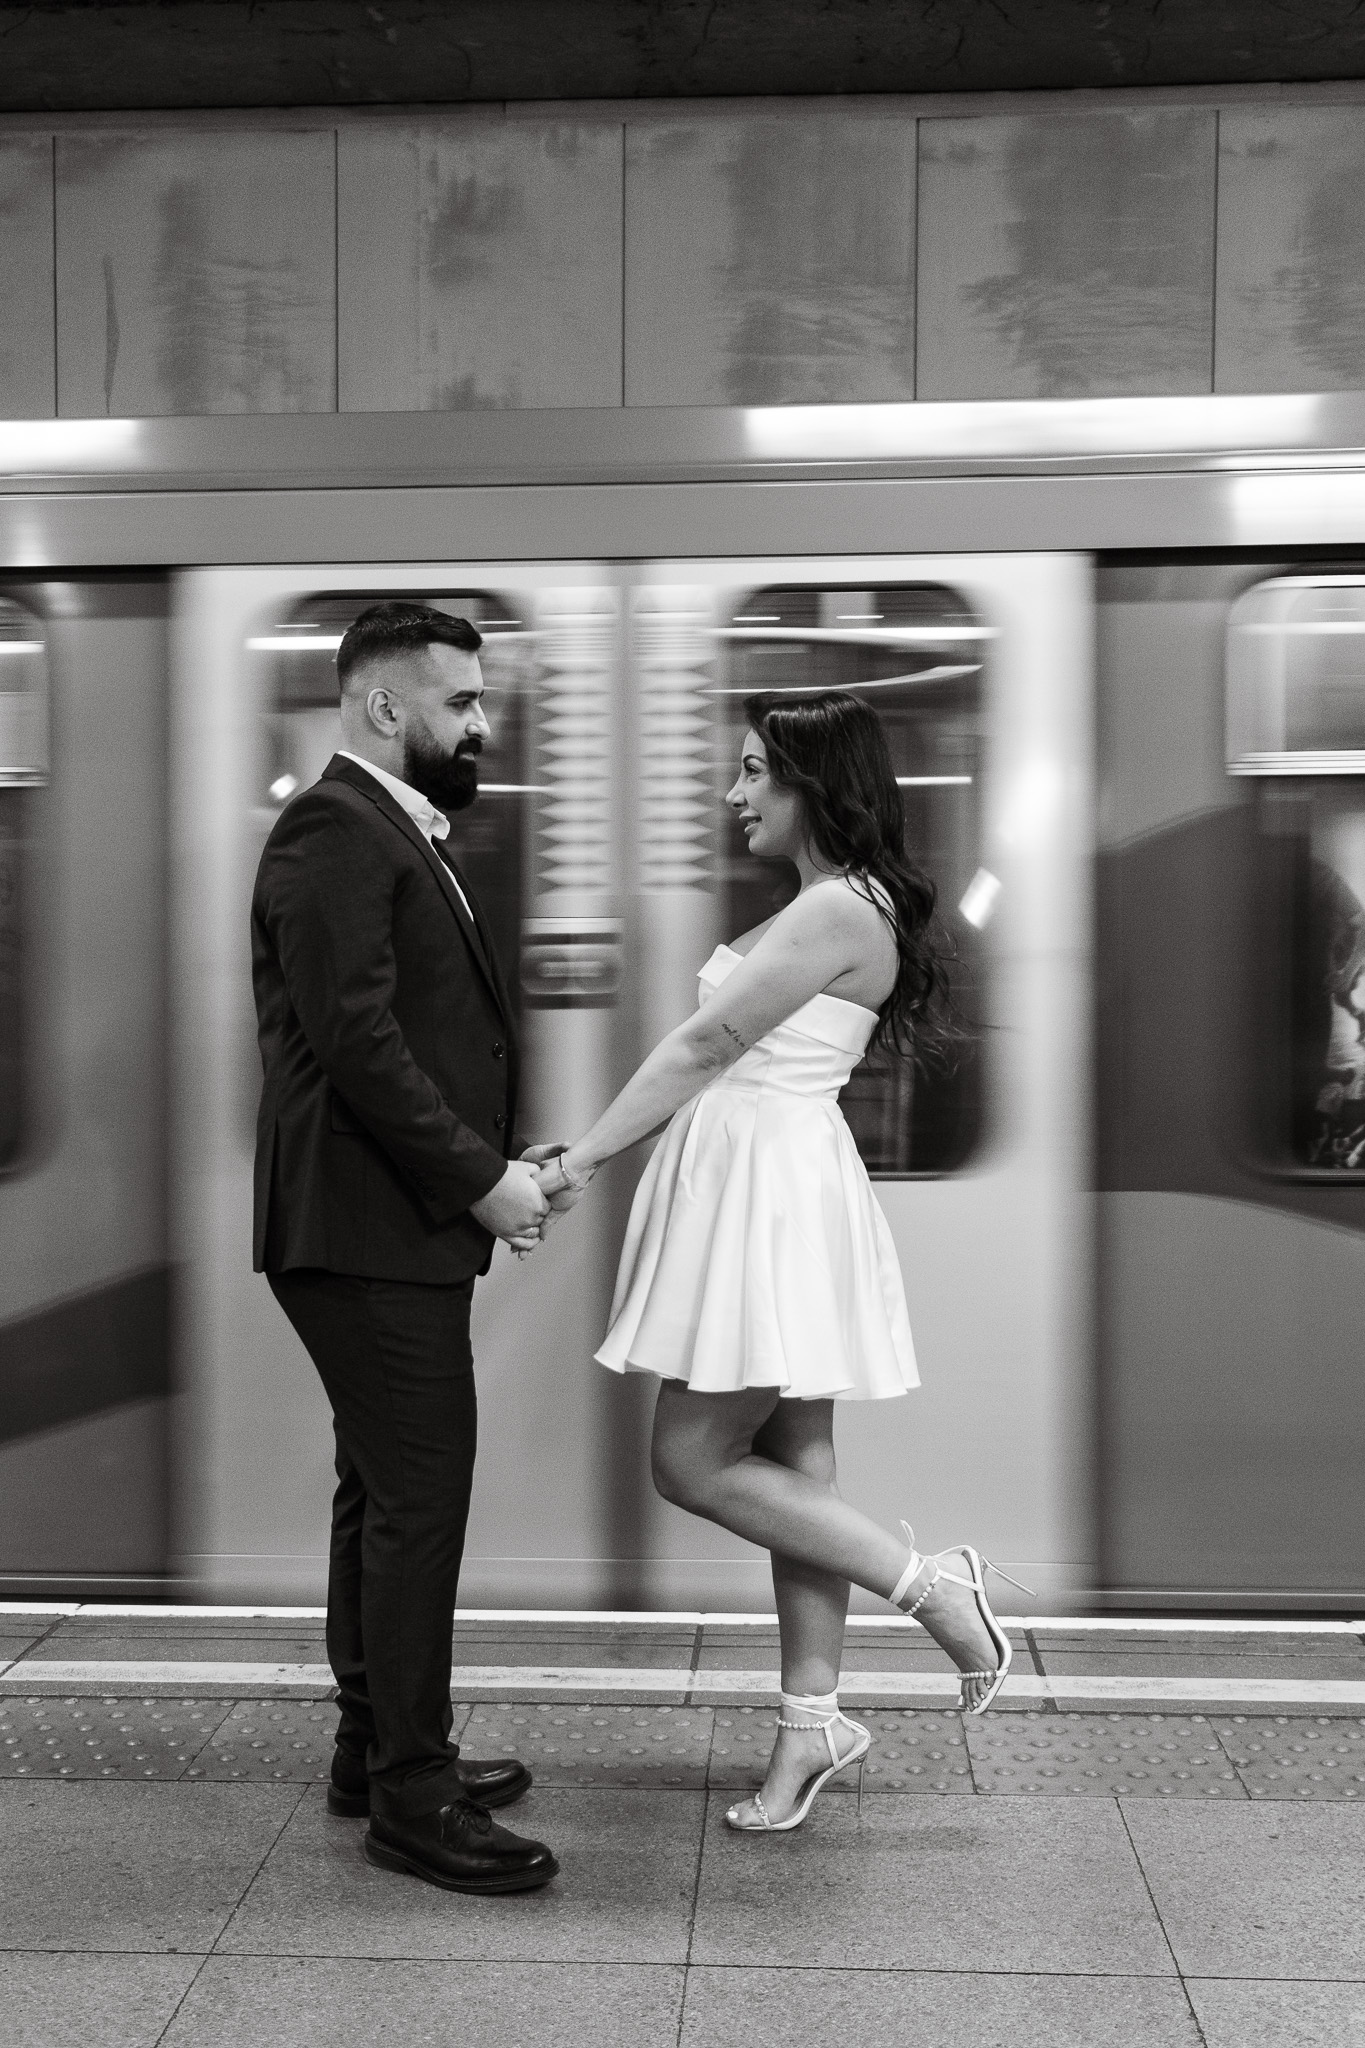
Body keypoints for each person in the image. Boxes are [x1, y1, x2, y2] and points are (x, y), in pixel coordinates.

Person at [534, 691, 1024, 1832]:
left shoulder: (838, 909)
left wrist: (582, 1159)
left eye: (755, 771)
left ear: (815, 783)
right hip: (770, 1184)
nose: (733, 793)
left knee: (693, 1459)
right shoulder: (828, 903)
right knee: (795, 1468)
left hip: (766, 1195)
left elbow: (707, 1043)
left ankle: (938, 1588)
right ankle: (811, 1729)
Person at [251, 600, 560, 1893]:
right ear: (385, 705)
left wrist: (502, 1156)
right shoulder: (338, 828)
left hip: (385, 1219)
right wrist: (479, 1179)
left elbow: (414, 1032)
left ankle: (372, 1744)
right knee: (419, 1502)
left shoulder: (392, 831)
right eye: (462, 703)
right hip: (367, 1223)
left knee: (381, 1490)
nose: (481, 723)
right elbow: (359, 1042)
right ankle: (412, 1800)